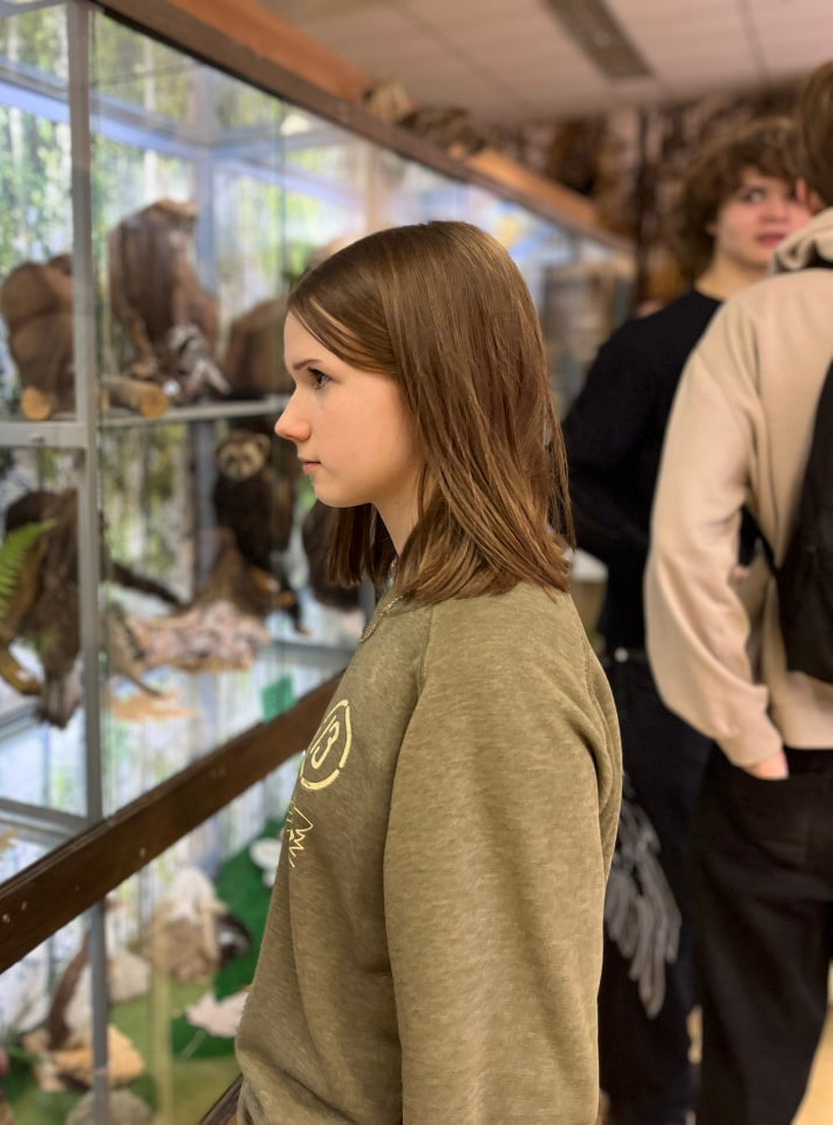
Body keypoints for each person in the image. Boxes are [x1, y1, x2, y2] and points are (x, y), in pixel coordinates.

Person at [234, 221, 622, 1124]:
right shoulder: (429, 600)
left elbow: (499, 1080)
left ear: (437, 378)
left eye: (320, 378)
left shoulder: (492, 663)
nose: (289, 419)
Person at [563, 118, 809, 1125]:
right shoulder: (653, 344)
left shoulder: (806, 330)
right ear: (711, 210)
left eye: (795, 193)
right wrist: (675, 559)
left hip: (778, 685)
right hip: (653, 667)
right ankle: (650, 1101)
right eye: (754, 193)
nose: (777, 212)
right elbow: (567, 482)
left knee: (742, 916)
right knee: (649, 903)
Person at [646, 61, 833, 1125]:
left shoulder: (759, 321)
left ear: (811, 175)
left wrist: (747, 733)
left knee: (752, 1077)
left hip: (788, 764)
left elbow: (686, 549)